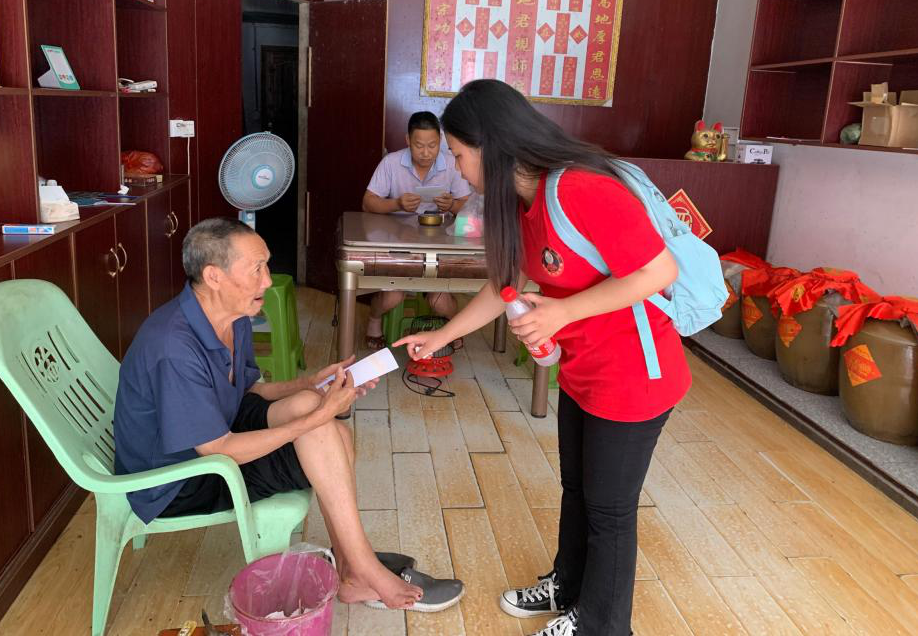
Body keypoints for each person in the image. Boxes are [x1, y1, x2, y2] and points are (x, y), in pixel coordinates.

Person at [396, 80, 691, 636]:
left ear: (490, 145)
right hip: (584, 370)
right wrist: (441, 337)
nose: (457, 167)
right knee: (577, 491)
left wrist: (561, 313)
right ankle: (568, 586)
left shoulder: (582, 189)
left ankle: (601, 626)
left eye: (458, 154)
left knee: (609, 510)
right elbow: (504, 284)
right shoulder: (523, 202)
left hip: (634, 374)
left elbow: (658, 272)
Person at [114, 217, 463, 613]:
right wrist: (317, 416)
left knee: (311, 408)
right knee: (319, 428)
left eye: (266, 265)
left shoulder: (231, 316)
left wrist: (310, 384)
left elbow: (248, 390)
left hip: (216, 428)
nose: (267, 280)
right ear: (214, 276)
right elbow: (218, 450)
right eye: (256, 269)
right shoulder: (174, 348)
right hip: (177, 479)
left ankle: (352, 567)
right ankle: (361, 567)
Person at [362, 111, 471, 348]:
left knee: (440, 301)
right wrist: (396, 204)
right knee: (392, 296)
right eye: (419, 145)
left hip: (439, 245)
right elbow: (368, 202)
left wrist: (451, 205)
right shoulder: (391, 163)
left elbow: (469, 206)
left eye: (432, 145)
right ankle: (374, 320)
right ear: (407, 140)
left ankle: (453, 328)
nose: (426, 152)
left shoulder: (451, 164)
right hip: (397, 243)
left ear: (440, 142)